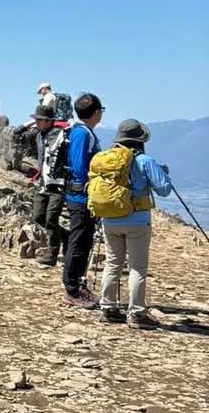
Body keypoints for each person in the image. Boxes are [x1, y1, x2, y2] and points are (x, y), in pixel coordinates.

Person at [95, 119, 174, 326]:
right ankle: (137, 313)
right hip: (137, 220)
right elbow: (164, 190)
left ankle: (107, 308)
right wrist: (162, 173)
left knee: (113, 263)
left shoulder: (108, 159)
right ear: (140, 139)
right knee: (137, 267)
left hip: (110, 219)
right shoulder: (145, 160)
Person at [61, 92, 104, 308]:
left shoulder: (81, 131)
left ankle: (78, 285)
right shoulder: (82, 133)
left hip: (81, 194)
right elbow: (79, 166)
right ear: (95, 112)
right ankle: (72, 290)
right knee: (78, 242)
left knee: (84, 241)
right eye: (101, 110)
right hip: (80, 196)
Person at [29, 105, 64, 267]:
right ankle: (64, 236)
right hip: (42, 183)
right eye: (36, 119)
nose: (37, 122)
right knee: (38, 216)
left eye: (40, 120)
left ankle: (52, 253)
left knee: (51, 218)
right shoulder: (38, 135)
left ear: (49, 121)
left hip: (57, 184)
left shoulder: (60, 136)